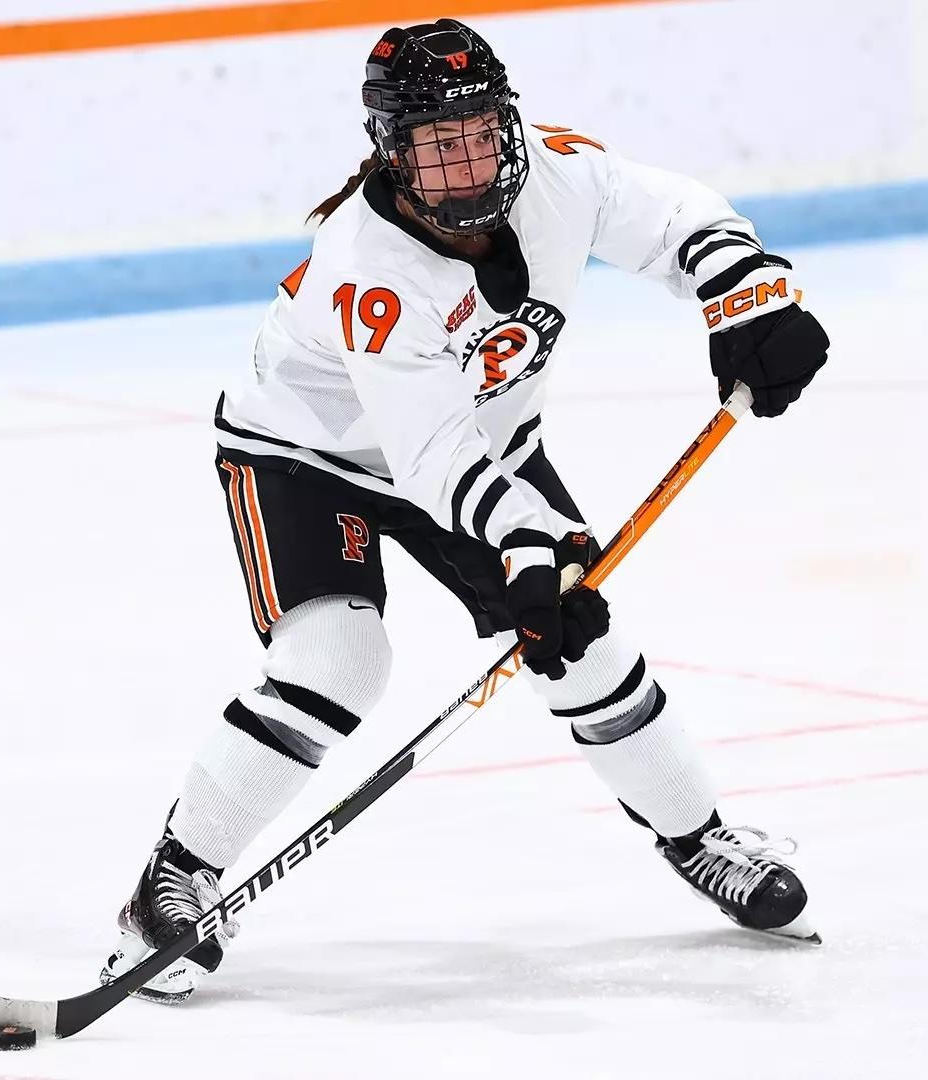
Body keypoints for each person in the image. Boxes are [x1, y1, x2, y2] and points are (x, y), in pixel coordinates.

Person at [100, 17, 831, 1003]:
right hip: (308, 458)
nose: (469, 160)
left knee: (584, 646)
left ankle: (702, 840)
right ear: (393, 152)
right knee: (336, 662)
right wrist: (530, 547)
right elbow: (431, 453)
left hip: (482, 443)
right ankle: (172, 879)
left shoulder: (560, 179)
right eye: (438, 144)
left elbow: (676, 218)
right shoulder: (371, 269)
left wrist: (749, 297)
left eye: (481, 131)